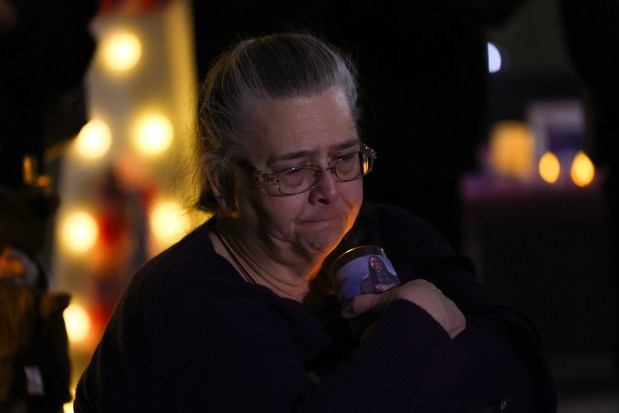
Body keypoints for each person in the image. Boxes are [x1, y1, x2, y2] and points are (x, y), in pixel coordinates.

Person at [74, 31, 557, 412]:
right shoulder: (182, 302)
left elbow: (521, 369)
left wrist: (349, 390)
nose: (329, 191)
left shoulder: (392, 231)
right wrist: (416, 324)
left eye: (344, 159)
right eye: (292, 169)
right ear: (223, 183)